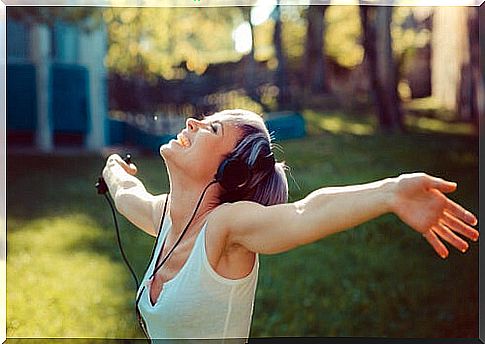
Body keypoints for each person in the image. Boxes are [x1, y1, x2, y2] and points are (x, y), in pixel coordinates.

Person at [102, 109, 479, 342]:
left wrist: (390, 193)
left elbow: (305, 213)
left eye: (212, 130)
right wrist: (113, 170)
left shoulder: (225, 229)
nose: (192, 122)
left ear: (229, 172)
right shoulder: (166, 218)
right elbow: (126, 194)